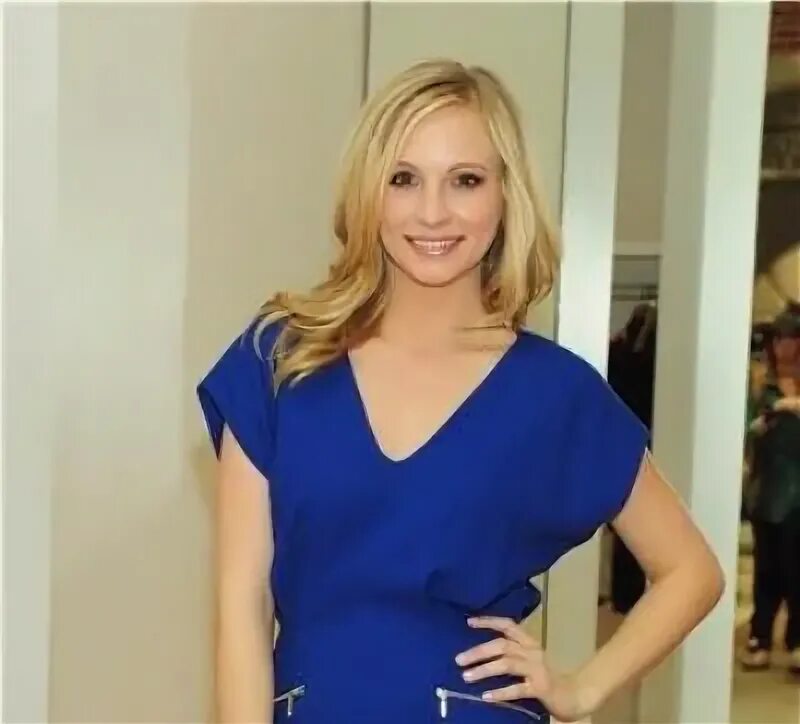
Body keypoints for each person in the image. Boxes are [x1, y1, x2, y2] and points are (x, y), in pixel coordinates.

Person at [197, 59, 725, 723]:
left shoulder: (552, 393)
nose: (432, 212)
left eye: (465, 180)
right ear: (368, 192)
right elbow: (242, 605)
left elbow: (691, 571)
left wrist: (582, 689)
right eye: (404, 179)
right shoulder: (278, 359)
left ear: (505, 195)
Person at [740, 311, 800, 675]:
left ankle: (795, 640)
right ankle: (760, 636)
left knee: (797, 568)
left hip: (798, 491)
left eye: (790, 339)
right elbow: (747, 425)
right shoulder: (763, 383)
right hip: (768, 487)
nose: (783, 347)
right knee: (767, 568)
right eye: (778, 339)